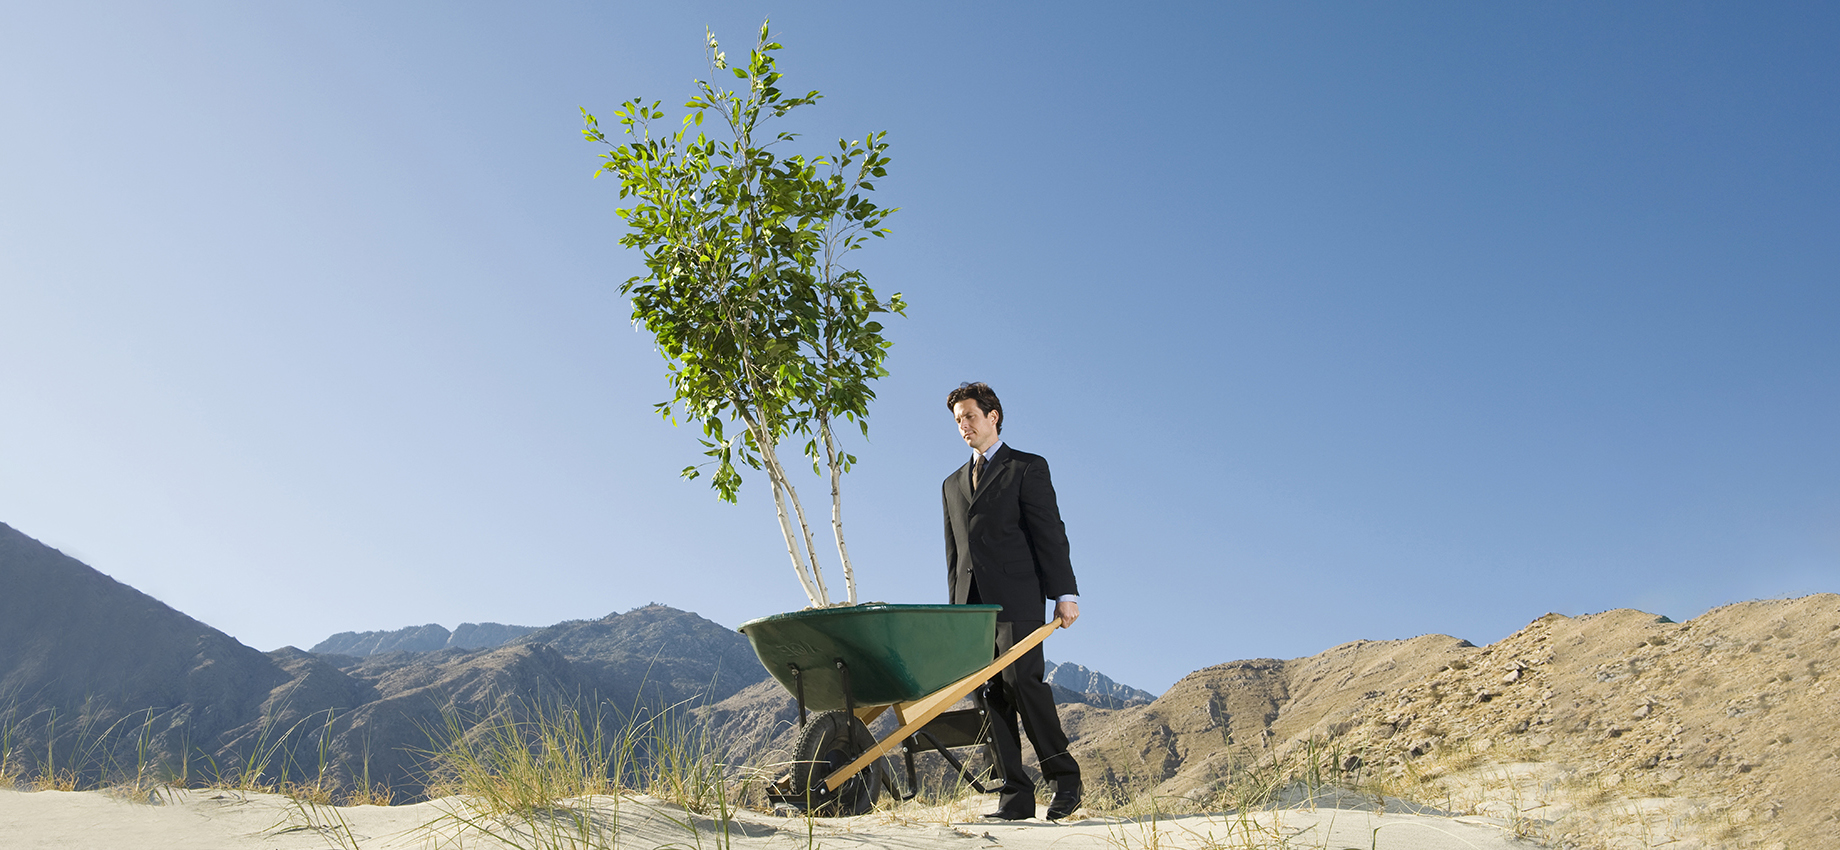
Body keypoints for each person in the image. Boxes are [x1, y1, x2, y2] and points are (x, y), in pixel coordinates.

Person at [942, 381, 1083, 821]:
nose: (963, 425)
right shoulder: (950, 484)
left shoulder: (1026, 467)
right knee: (989, 695)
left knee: (1023, 682)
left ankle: (1065, 780)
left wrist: (1065, 592)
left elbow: (1049, 532)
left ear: (992, 416)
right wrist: (955, 614)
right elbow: (954, 554)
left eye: (969, 415)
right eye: (958, 419)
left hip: (1018, 598)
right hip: (972, 607)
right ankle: (1015, 796)